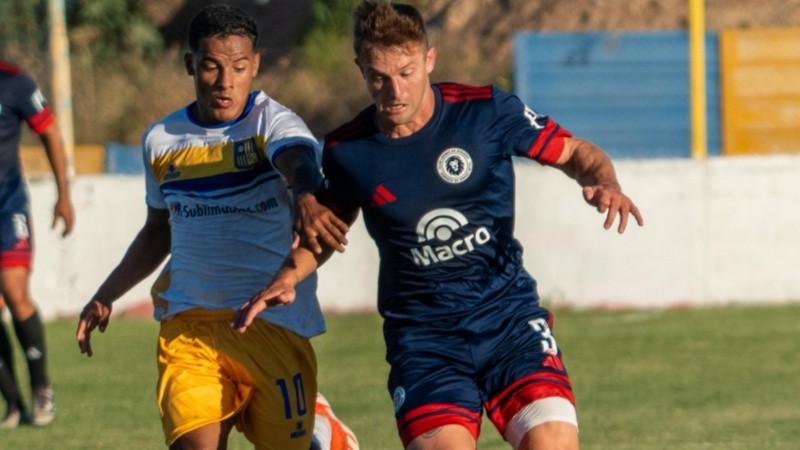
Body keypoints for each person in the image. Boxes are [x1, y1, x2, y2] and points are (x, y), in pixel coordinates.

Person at [233, 1, 644, 449]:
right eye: (378, 77)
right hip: (424, 342)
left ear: (430, 58)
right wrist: (288, 275)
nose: (394, 91)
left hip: (508, 322)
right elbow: (326, 233)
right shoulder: (348, 151)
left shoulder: (484, 112)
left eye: (407, 72)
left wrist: (606, 181)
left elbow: (573, 152)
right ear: (360, 69)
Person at [75, 4, 356, 449]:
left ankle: (324, 427)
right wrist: (106, 294)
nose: (226, 83)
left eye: (239, 68)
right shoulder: (162, 140)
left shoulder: (270, 120)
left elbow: (297, 156)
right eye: (211, 67)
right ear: (190, 64)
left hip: (272, 322)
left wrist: (304, 193)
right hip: (190, 327)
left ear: (255, 64)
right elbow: (158, 230)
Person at [0, 59, 74, 428]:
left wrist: (64, 194)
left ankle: (41, 387)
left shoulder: (13, 81)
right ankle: (13, 405)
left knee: (14, 291)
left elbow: (49, 132)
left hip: (7, 205)